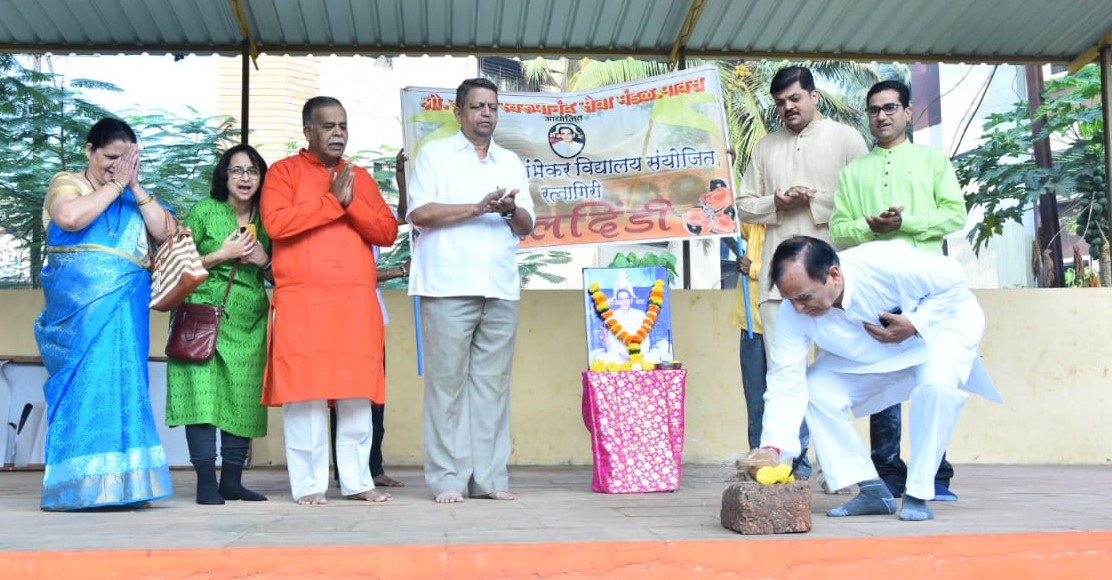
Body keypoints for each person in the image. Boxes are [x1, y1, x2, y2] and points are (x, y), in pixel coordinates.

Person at [749, 236, 999, 521]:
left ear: (834, 274)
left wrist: (917, 322)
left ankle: (918, 493)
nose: (799, 309)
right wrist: (773, 447)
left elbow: (953, 279)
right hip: (872, 354)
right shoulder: (792, 313)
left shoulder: (883, 261)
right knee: (816, 388)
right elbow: (785, 379)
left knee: (937, 386)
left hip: (939, 335)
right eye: (791, 300)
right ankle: (870, 489)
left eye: (805, 297)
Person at [830, 79, 968, 501]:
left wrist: (905, 223)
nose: (882, 116)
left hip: (928, 291)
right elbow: (838, 229)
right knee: (881, 382)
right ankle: (888, 473)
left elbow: (954, 214)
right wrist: (869, 227)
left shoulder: (932, 161)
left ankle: (936, 474)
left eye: (890, 108)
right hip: (876, 290)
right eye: (874, 110)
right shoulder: (854, 173)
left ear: (908, 113)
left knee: (935, 376)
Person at [260, 96, 398, 505]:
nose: (338, 133)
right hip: (303, 301)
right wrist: (331, 201)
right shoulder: (283, 173)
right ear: (308, 131)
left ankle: (358, 482)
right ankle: (309, 485)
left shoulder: (361, 177)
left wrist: (351, 201)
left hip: (354, 302)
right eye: (328, 126)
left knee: (356, 391)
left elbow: (386, 231)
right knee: (306, 394)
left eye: (342, 126)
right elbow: (277, 224)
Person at [735, 65, 869, 479]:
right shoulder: (766, 147)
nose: (788, 108)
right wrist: (777, 203)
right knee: (783, 377)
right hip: (779, 286)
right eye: (780, 103)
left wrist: (812, 200)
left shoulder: (846, 139)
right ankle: (788, 465)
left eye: (795, 99)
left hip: (833, 283)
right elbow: (742, 204)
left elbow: (861, 199)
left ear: (813, 96)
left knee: (835, 378)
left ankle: (842, 470)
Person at [406, 77, 535, 503]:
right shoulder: (434, 155)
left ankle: (489, 479)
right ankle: (448, 478)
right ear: (458, 112)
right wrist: (477, 207)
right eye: (477, 106)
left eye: (492, 107)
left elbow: (527, 226)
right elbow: (420, 213)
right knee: (447, 385)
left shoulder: (511, 162)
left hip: (499, 286)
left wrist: (510, 209)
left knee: (492, 386)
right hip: (446, 285)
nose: (486, 114)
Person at [34, 117, 174, 511]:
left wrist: (133, 186)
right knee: (86, 388)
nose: (118, 166)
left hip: (126, 315)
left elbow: (165, 232)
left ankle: (128, 486)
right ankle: (77, 488)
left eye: (127, 160)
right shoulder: (69, 183)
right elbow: (70, 219)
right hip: (81, 318)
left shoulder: (130, 192)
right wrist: (115, 186)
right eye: (111, 158)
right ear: (89, 151)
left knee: (127, 388)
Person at [166, 144, 273, 505]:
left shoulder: (268, 217)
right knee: (202, 398)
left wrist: (263, 260)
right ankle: (205, 484)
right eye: (237, 170)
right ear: (224, 177)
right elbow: (176, 259)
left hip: (249, 322)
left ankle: (232, 481)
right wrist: (219, 255)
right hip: (202, 317)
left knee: (242, 398)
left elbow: (283, 271)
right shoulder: (205, 211)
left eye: (253, 171)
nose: (245, 178)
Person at [331, 149, 411, 489]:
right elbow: (347, 271)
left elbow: (405, 215)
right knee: (337, 397)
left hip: (372, 316)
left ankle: (373, 468)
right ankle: (342, 470)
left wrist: (401, 175)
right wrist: (397, 270)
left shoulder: (371, 213)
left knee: (374, 397)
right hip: (337, 315)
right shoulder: (333, 215)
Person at [728, 222, 769, 450]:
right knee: (754, 396)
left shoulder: (789, 223)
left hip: (781, 324)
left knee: (788, 393)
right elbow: (734, 214)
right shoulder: (755, 224)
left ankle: (798, 462)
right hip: (751, 321)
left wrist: (753, 268)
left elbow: (792, 270)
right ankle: (757, 453)